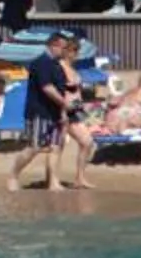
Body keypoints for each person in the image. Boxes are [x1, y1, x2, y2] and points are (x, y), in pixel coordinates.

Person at [10, 28, 88, 193]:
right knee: (35, 147)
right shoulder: (41, 63)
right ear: (54, 45)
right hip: (39, 111)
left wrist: (63, 113)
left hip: (55, 112)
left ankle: (54, 183)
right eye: (63, 47)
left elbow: (60, 89)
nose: (66, 51)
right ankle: (13, 175)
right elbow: (47, 88)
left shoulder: (56, 65)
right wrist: (65, 104)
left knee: (55, 147)